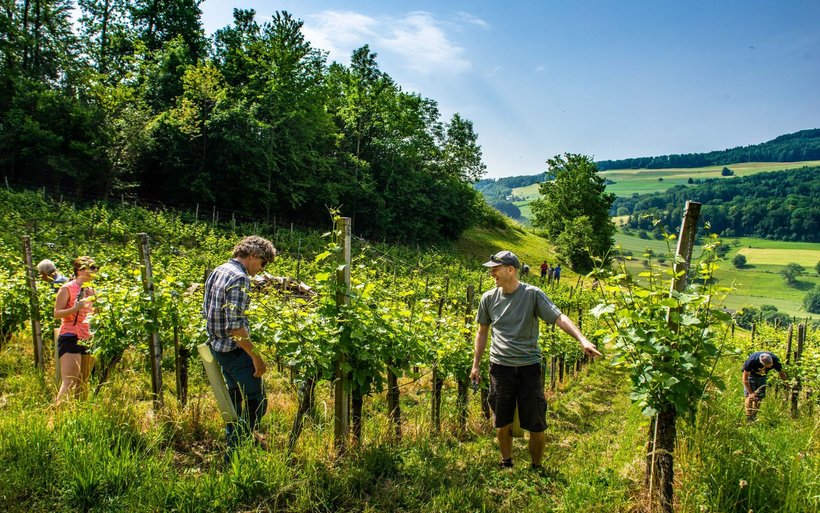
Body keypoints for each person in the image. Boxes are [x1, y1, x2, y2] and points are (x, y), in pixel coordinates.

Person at [470, 250, 602, 470]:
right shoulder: (488, 298)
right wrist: (475, 364)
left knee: (536, 424)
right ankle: (506, 463)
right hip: (500, 368)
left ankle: (536, 467)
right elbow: (482, 332)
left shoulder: (533, 294)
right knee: (501, 422)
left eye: (495, 269)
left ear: (510, 270)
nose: (491, 273)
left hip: (528, 369)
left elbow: (559, 317)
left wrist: (582, 339)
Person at [202, 235, 276, 453]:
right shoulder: (239, 278)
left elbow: (206, 310)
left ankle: (235, 440)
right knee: (256, 402)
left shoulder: (219, 270)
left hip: (218, 348)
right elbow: (235, 327)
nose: (262, 269)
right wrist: (256, 356)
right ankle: (237, 450)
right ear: (253, 255)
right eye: (263, 263)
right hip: (234, 351)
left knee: (234, 398)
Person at [53, 256, 97, 405]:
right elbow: (57, 313)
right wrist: (75, 308)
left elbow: (94, 313)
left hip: (88, 337)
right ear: (80, 270)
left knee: (83, 382)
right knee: (70, 381)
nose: (95, 270)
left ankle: (79, 418)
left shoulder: (91, 290)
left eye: (95, 267)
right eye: (91, 267)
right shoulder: (67, 288)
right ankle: (57, 420)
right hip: (70, 335)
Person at [742, 351, 787, 422]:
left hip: (762, 377)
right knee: (749, 397)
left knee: (759, 397)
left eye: (771, 365)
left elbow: (782, 373)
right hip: (751, 375)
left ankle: (754, 416)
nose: (770, 367)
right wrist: (750, 392)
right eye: (768, 366)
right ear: (762, 363)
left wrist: (786, 384)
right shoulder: (752, 361)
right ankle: (749, 417)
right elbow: (745, 377)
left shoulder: (775, 360)